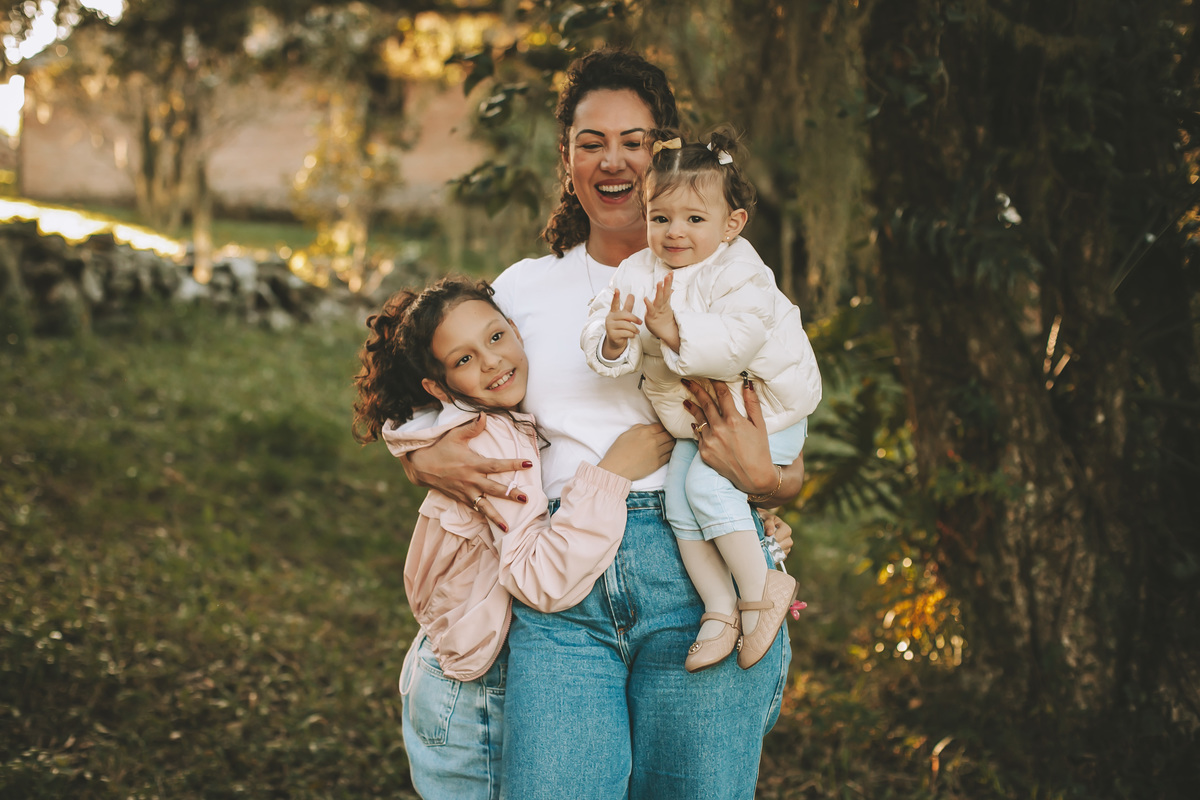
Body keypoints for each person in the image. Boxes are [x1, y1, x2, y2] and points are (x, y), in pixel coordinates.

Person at [399, 48, 807, 799]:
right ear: (567, 160)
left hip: (697, 571)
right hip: (562, 589)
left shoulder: (732, 279)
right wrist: (421, 460)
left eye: (634, 141)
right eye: (591, 143)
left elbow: (783, 436)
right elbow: (444, 394)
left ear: (665, 156)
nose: (613, 161)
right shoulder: (523, 290)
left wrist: (771, 482)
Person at [352, 276, 673, 800]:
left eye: (496, 337)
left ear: (517, 331)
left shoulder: (487, 420)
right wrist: (612, 474)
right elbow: (536, 577)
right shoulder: (489, 441)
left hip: (458, 665)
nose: (492, 362)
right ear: (439, 388)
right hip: (473, 692)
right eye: (464, 359)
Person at [581, 129, 822, 673]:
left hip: (769, 412)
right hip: (703, 423)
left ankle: (762, 591)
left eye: (694, 218)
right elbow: (603, 318)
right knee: (680, 503)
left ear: (731, 224)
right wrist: (612, 339)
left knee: (706, 490)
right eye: (660, 218)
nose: (674, 232)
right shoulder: (638, 271)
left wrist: (674, 332)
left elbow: (740, 340)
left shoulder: (740, 270)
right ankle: (720, 609)